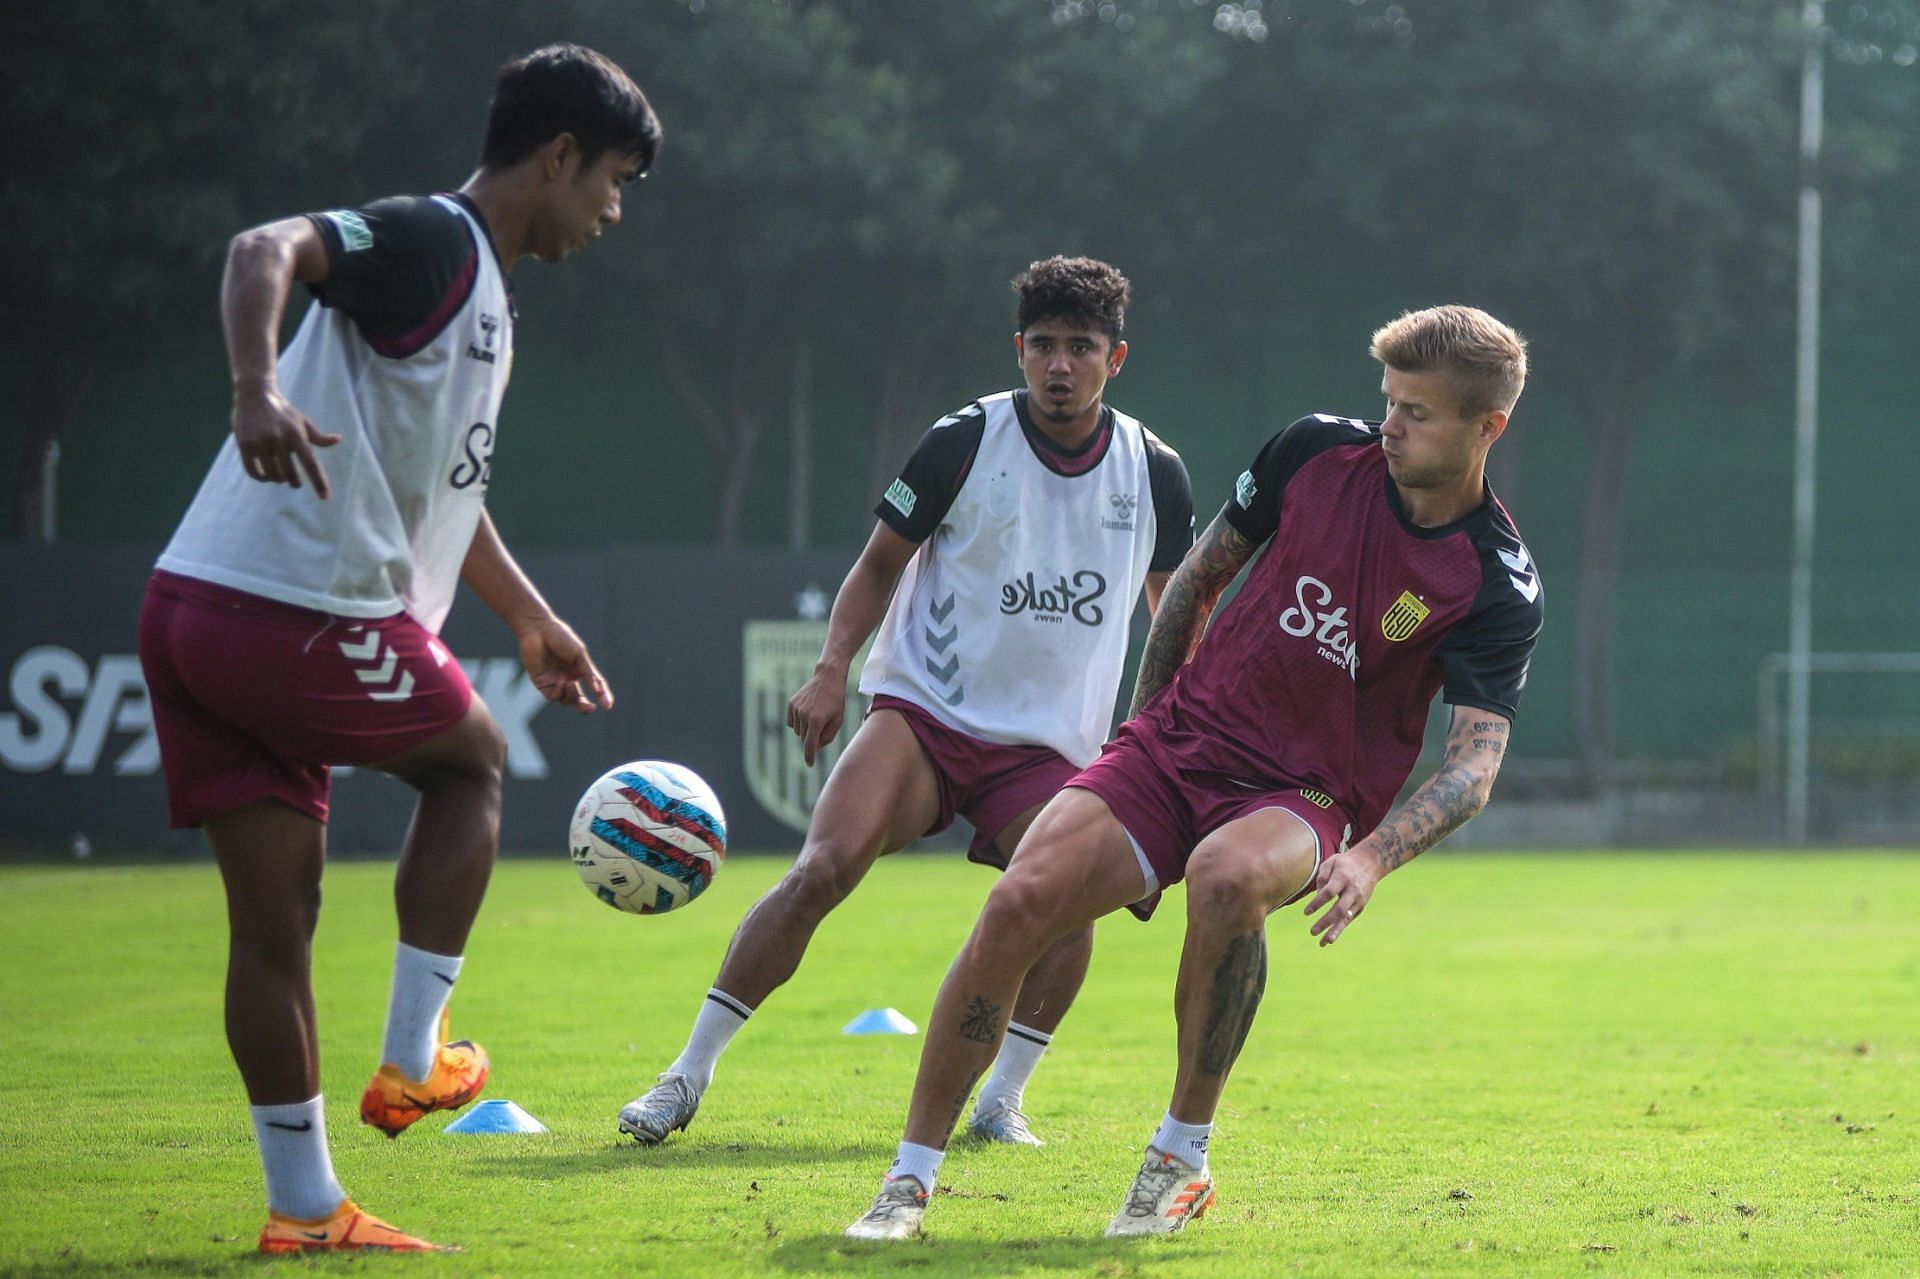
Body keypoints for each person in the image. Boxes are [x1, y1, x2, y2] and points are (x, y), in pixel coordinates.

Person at [845, 304, 1543, 1240]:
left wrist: (1372, 857)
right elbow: (1198, 582)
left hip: (1304, 793)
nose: (1390, 424)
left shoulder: (1494, 578)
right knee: (1019, 902)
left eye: (1418, 412)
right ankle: (908, 1180)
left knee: (1224, 877)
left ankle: (1179, 1156)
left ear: (1486, 427)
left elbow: (1472, 767)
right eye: (1389, 401)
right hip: (1180, 740)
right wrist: (1139, 733)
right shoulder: (1312, 452)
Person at [136, 45, 660, 1255]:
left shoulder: (481, 295)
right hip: (289, 607)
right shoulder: (434, 239)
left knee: (277, 929)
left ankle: (305, 1206)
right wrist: (252, 387)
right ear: (560, 156)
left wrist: (528, 617)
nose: (613, 211)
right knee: (470, 760)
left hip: (194, 603)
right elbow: (261, 249)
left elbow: (444, 494)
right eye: (614, 181)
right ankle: (417, 1061)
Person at [618, 256, 1194, 1149]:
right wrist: (830, 668)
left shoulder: (1154, 472)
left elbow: (1174, 624)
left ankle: (1001, 1098)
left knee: (1065, 907)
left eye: (1081, 348)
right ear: (1018, 349)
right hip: (926, 715)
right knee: (822, 869)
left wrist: (1165, 763)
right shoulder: (963, 440)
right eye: (1043, 345)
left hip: (1049, 749)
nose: (1059, 366)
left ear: (1115, 358)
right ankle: (684, 1075)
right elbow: (879, 564)